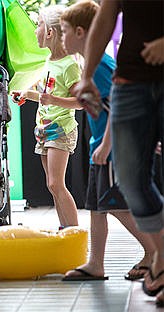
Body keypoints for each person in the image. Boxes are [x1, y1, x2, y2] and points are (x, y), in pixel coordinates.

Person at [73, 0, 163, 306]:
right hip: (131, 80)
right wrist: (86, 73)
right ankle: (160, 253)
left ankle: (160, 261)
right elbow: (107, 14)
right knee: (128, 179)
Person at [11, 5, 82, 228]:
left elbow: (81, 102)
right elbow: (46, 94)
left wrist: (53, 101)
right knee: (52, 186)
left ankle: (74, 232)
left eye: (38, 25)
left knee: (56, 184)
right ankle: (65, 230)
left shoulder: (70, 65)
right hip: (44, 128)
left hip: (60, 128)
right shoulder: (49, 61)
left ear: (50, 32)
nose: (35, 31)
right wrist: (26, 94)